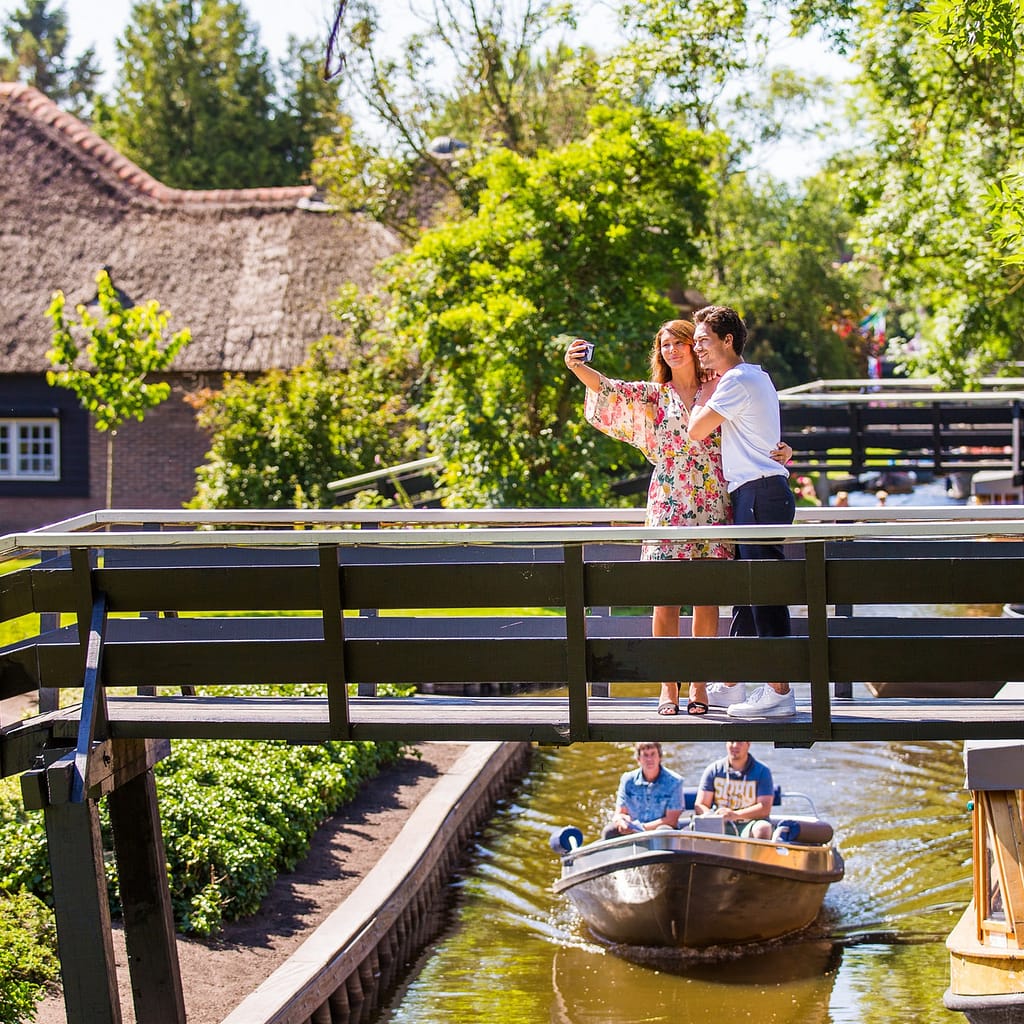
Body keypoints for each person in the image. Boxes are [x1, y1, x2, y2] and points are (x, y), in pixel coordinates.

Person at [565, 323, 791, 717]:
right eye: (664, 345)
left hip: (715, 497)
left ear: (693, 347)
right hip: (669, 500)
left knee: (708, 599)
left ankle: (700, 684)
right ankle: (668, 684)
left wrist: (783, 450)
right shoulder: (655, 396)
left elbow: (755, 423)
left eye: (678, 343)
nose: (671, 350)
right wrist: (576, 365)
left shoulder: (722, 385)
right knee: (665, 598)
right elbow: (608, 389)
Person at [687, 305, 797, 719]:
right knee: (748, 596)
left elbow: (697, 430)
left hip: (759, 494)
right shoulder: (758, 377)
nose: (698, 350)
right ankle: (733, 684)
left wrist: (704, 393)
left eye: (703, 341)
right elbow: (766, 439)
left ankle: (779, 692)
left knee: (764, 594)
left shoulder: (735, 380)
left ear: (727, 340)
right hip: (758, 493)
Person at [693, 740, 774, 839]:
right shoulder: (713, 770)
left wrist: (735, 815)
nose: (735, 746)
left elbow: (764, 808)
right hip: (720, 822)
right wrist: (713, 816)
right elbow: (700, 805)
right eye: (731, 742)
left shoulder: (762, 771)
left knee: (763, 828)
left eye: (740, 742)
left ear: (748, 744)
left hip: (749, 823)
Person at [604, 741, 684, 839]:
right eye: (645, 755)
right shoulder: (627, 780)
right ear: (638, 759)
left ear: (660, 757)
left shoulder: (675, 781)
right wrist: (621, 821)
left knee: (663, 830)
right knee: (609, 831)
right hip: (631, 831)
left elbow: (671, 820)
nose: (649, 759)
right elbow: (620, 813)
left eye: (653, 754)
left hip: (660, 832)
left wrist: (641, 828)